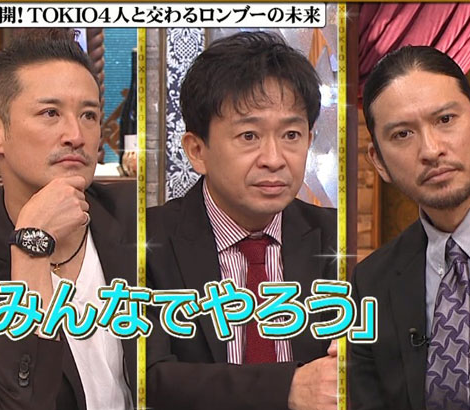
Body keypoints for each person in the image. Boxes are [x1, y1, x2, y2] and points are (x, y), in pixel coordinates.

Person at [0, 29, 136, 410]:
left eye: (89, 115)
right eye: (50, 113)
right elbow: (10, 404)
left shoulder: (140, 217)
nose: (76, 135)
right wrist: (31, 246)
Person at [145, 32, 338, 410]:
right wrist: (287, 388)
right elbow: (149, 377)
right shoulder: (145, 242)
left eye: (292, 135)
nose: (274, 159)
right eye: (249, 135)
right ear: (197, 150)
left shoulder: (337, 239)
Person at [349, 45, 470, 410]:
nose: (431, 149)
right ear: (379, 162)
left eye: (445, 120)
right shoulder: (372, 284)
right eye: (402, 134)